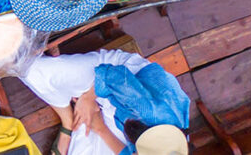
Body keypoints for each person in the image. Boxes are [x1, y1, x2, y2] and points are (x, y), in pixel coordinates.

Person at [20, 49, 190, 155]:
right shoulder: (149, 112)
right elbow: (112, 75)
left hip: (122, 115)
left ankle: (84, 115)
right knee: (31, 70)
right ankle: (68, 120)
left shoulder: (169, 147)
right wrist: (88, 100)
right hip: (120, 75)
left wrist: (99, 127)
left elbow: (124, 152)